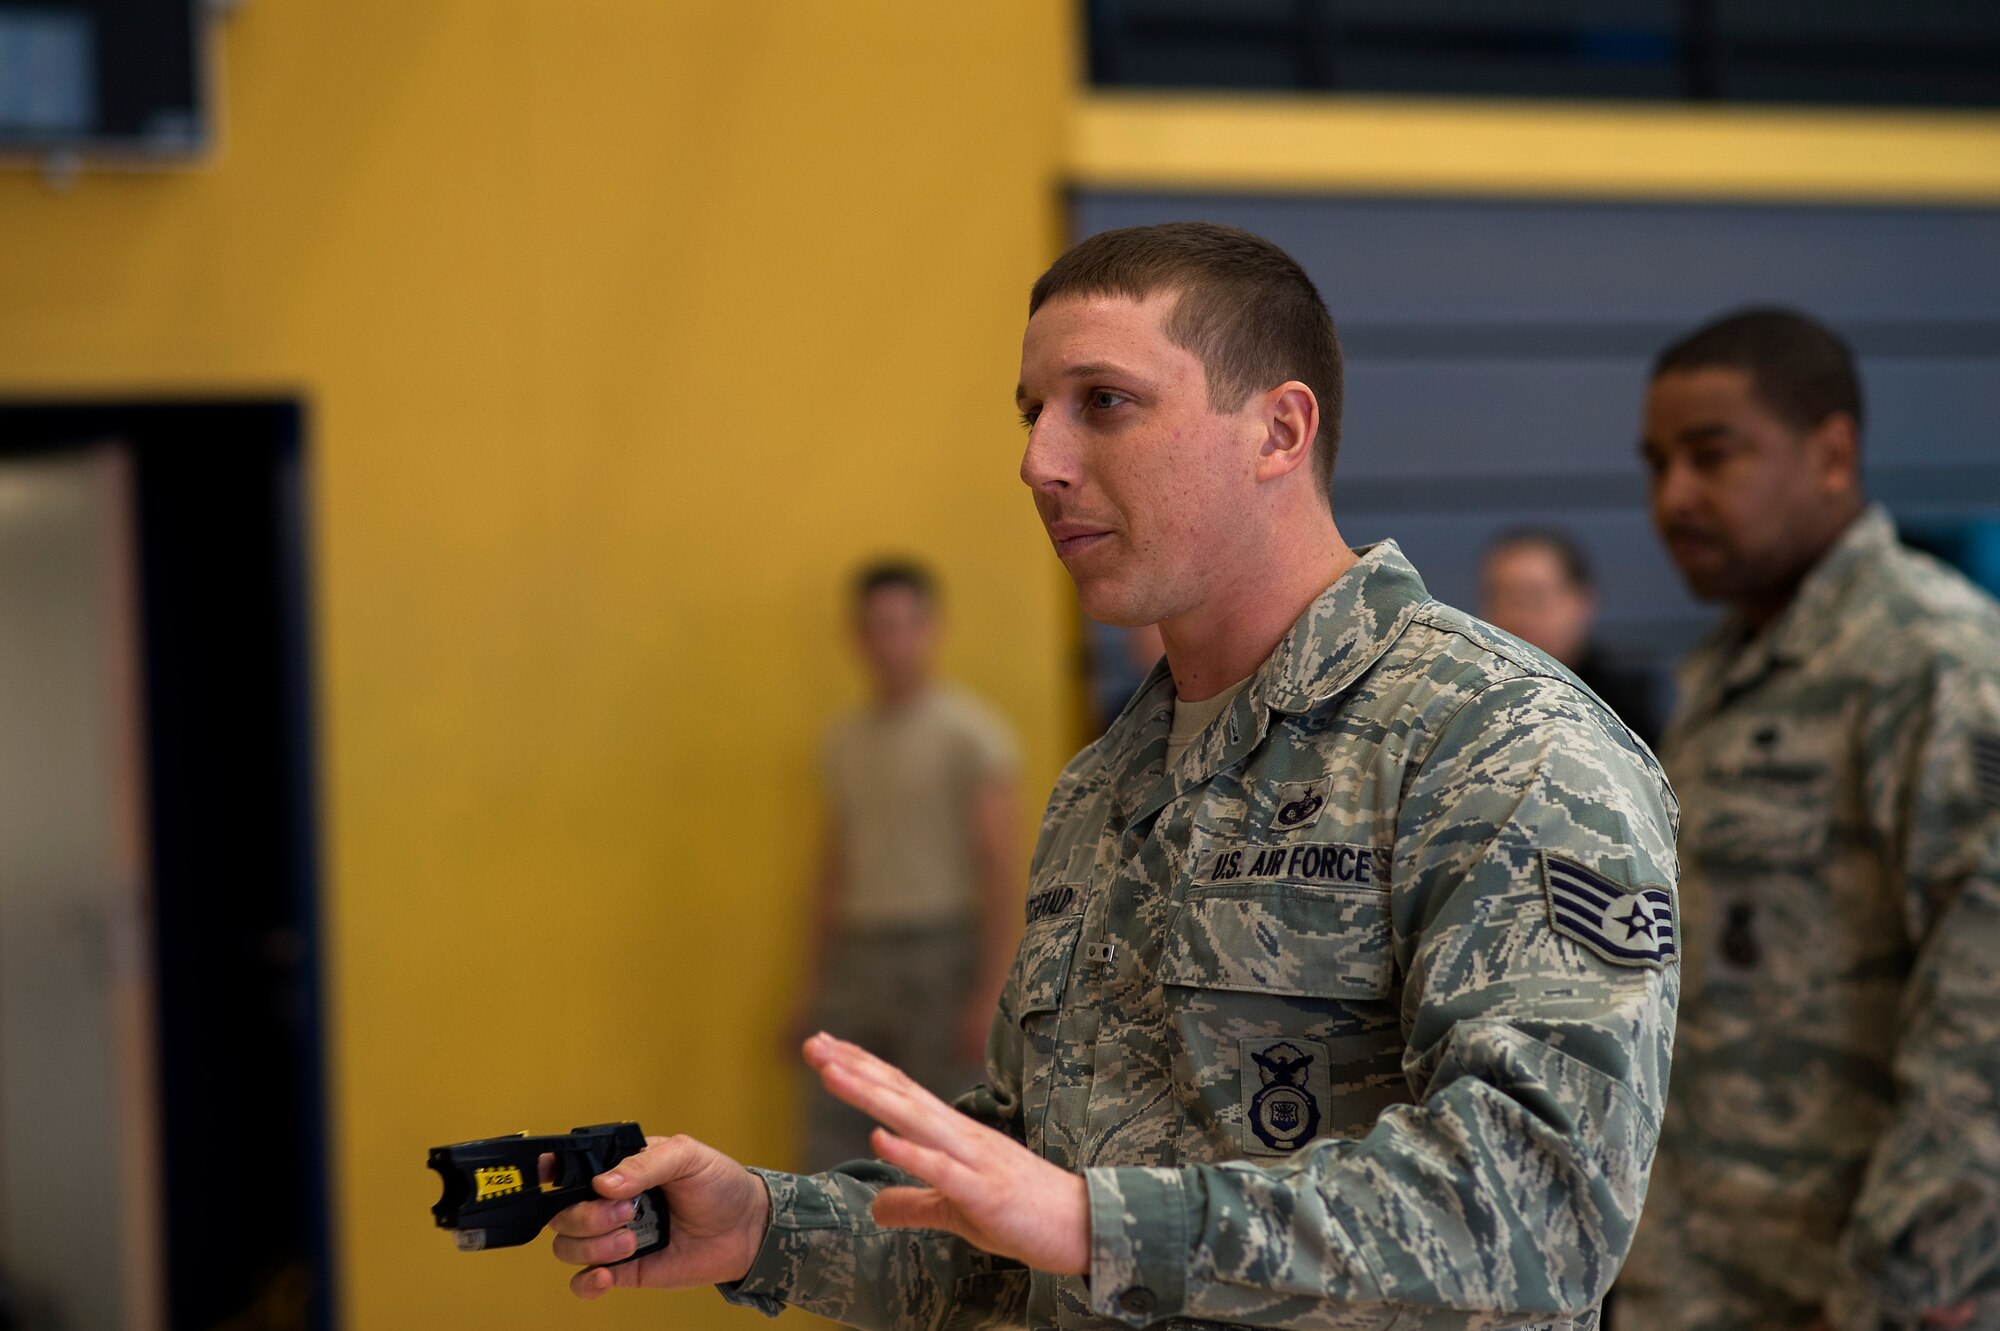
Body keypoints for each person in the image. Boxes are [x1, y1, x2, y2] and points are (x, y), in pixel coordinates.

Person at [546, 222, 1680, 1330]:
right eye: (1032, 412)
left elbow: (1547, 1204)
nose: (1039, 461)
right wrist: (765, 1225)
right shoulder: (1104, 785)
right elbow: (1020, 1218)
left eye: (1104, 403)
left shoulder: (1499, 740)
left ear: (1276, 430)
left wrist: (1102, 1222)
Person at [1615, 309, 2000, 1331]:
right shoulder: (1727, 669)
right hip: (1701, 1273)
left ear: (1830, 453)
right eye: (1655, 465)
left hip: (1852, 1287)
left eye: (1710, 456)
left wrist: (1899, 1285)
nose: (1672, 498)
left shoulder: (1936, 663)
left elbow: (1984, 1019)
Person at [789, 559, 1023, 1168]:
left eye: (902, 625)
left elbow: (1001, 870)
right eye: (875, 628)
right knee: (837, 1129)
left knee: (940, 1133)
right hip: (859, 954)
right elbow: (833, 868)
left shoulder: (971, 735)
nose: (889, 643)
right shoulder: (845, 740)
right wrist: (813, 982)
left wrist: (992, 991)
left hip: (941, 956)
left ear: (930, 627)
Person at [1479, 527, 1664, 745]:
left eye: (1534, 598)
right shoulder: (1472, 703)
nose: (1518, 617)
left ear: (1583, 601)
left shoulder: (1623, 710)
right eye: (1502, 599)